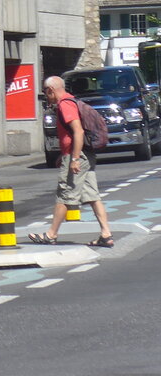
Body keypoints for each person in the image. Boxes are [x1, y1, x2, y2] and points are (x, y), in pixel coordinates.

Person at [29, 75, 114, 247]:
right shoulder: (71, 101)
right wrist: (65, 154)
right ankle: (106, 234)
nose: (46, 95)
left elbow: (78, 132)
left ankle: (51, 234)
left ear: (51, 90)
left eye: (46, 92)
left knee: (65, 195)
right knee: (92, 196)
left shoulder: (65, 104)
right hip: (84, 155)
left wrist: (73, 158)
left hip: (78, 156)